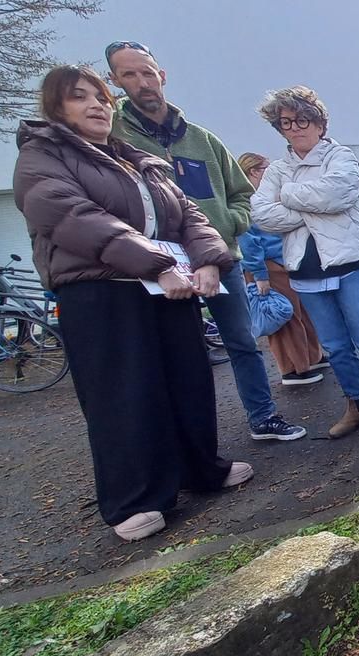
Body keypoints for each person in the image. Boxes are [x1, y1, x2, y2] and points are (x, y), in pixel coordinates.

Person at [13, 65, 253, 541]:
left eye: (101, 97)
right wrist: (156, 264)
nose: (97, 105)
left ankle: (202, 469)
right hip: (104, 292)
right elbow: (75, 218)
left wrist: (209, 262)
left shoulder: (135, 160)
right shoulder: (42, 157)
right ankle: (134, 498)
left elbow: (189, 214)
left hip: (169, 286)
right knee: (123, 393)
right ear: (57, 108)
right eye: (81, 97)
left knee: (188, 380)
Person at [105, 41, 305, 442]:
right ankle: (185, 441)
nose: (142, 82)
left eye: (147, 72)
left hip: (219, 259)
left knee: (243, 342)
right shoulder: (112, 137)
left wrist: (228, 225)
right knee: (173, 355)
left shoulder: (202, 140)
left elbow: (241, 194)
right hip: (155, 267)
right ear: (114, 81)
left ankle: (263, 417)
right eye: (129, 74)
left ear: (162, 75)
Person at [250, 86, 359, 441]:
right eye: (286, 122)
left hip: (351, 266)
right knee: (334, 346)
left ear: (319, 123)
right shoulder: (278, 168)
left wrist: (289, 198)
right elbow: (261, 213)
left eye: (303, 119)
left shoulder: (341, 157)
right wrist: (315, 209)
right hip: (306, 272)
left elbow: (341, 193)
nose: (296, 128)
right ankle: (357, 407)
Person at [237, 152, 329, 385]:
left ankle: (312, 357)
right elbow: (247, 242)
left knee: (301, 313)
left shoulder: (267, 198)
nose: (271, 172)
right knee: (283, 316)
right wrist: (259, 275)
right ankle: (293, 369)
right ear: (253, 172)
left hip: (283, 262)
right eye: (266, 168)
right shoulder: (247, 202)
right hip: (268, 267)